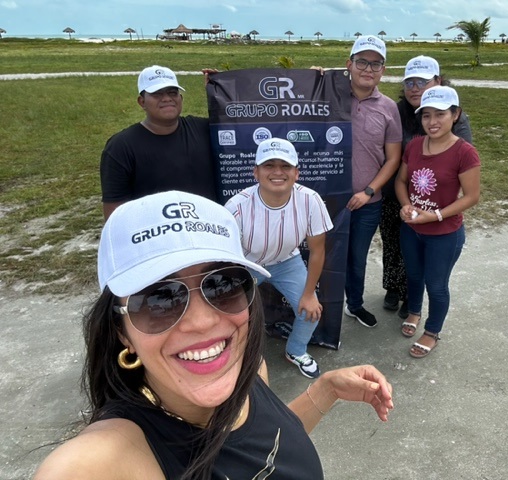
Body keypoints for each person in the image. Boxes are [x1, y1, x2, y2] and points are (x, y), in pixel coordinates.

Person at [34, 190, 393, 479]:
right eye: (160, 299)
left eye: (223, 285)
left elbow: (267, 447)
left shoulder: (249, 372)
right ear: (121, 331)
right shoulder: (102, 461)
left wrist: (324, 390)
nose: (203, 322)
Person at [225, 138, 333, 379]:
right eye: (269, 165)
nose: (277, 172)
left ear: (296, 173)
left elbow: (317, 250)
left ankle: (296, 351)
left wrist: (308, 294)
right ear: (256, 172)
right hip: (247, 266)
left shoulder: (310, 199)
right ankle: (239, 360)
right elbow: (226, 258)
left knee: (310, 310)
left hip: (287, 262)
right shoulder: (236, 207)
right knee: (233, 317)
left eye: (285, 166)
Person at [381, 55, 474, 320]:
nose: (414, 87)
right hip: (396, 193)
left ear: (438, 81)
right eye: (409, 82)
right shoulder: (396, 111)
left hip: (434, 203)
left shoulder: (456, 120)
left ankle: (414, 301)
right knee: (395, 245)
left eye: (422, 81)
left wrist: (433, 211)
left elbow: (458, 161)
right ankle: (395, 289)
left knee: (427, 262)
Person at [395, 86, 480, 358]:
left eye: (440, 114)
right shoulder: (415, 145)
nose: (432, 122)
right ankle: (414, 311)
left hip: (444, 233)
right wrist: (406, 205)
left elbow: (472, 196)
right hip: (412, 230)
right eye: (426, 115)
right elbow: (401, 181)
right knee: (414, 275)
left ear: (455, 115)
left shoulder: (465, 152)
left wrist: (436, 215)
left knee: (437, 284)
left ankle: (432, 331)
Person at [100, 65, 217, 219]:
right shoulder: (120, 147)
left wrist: (220, 89)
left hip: (208, 228)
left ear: (180, 99)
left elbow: (238, 127)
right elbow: (114, 211)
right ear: (142, 102)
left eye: (172, 93)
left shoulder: (203, 129)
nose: (167, 98)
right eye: (157, 94)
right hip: (156, 237)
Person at [343, 35, 402, 328]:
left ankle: (354, 304)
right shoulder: (329, 95)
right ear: (349, 64)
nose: (368, 68)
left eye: (376, 63)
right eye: (362, 61)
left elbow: (392, 158)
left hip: (368, 202)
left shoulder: (388, 107)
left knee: (356, 258)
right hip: (327, 199)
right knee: (320, 257)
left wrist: (368, 191)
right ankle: (320, 309)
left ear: (383, 70)